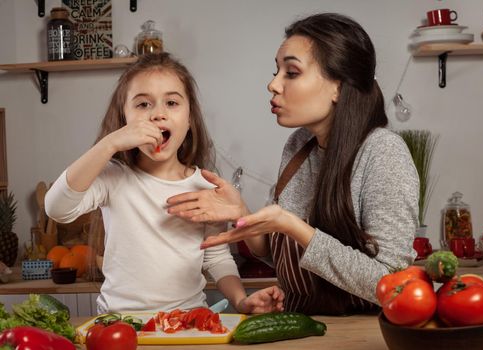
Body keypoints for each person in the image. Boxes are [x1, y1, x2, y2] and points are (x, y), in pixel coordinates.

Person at [166, 13, 419, 315]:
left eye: (292, 72)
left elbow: (392, 284)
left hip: (363, 334)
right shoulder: (299, 145)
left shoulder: (383, 153)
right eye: (277, 71)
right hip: (302, 327)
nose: (273, 84)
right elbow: (283, 257)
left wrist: (293, 226)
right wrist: (241, 213)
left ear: (338, 86)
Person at [45, 53, 284, 315]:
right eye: (143, 104)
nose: (158, 114)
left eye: (171, 102)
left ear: (190, 118)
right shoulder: (113, 177)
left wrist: (240, 301)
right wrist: (109, 143)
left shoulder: (205, 187)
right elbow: (56, 208)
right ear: (124, 119)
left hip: (187, 324)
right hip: (120, 325)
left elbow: (217, 257)